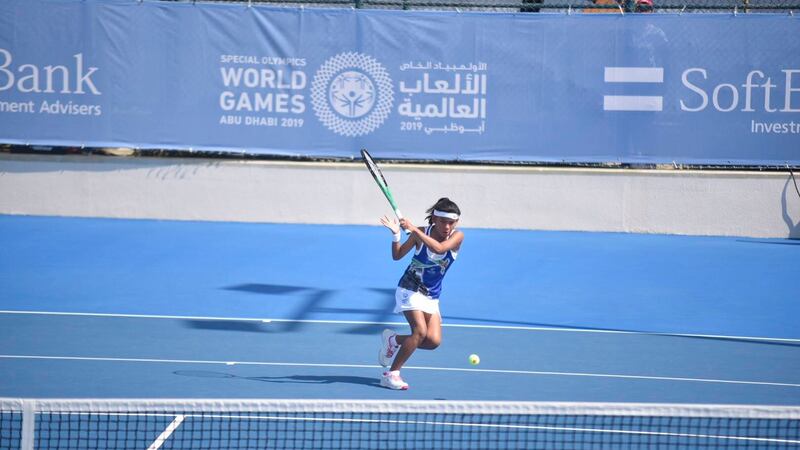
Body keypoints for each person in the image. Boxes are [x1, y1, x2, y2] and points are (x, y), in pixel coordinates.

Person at [377, 198, 464, 390]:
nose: (448, 227)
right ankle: (391, 374)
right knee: (419, 332)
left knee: (433, 341)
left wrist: (414, 229)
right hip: (409, 288)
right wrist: (396, 234)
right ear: (434, 219)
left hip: (432, 295)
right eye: (443, 222)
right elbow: (397, 255)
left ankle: (394, 340)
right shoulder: (420, 233)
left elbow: (439, 248)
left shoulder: (458, 237)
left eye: (452, 222)